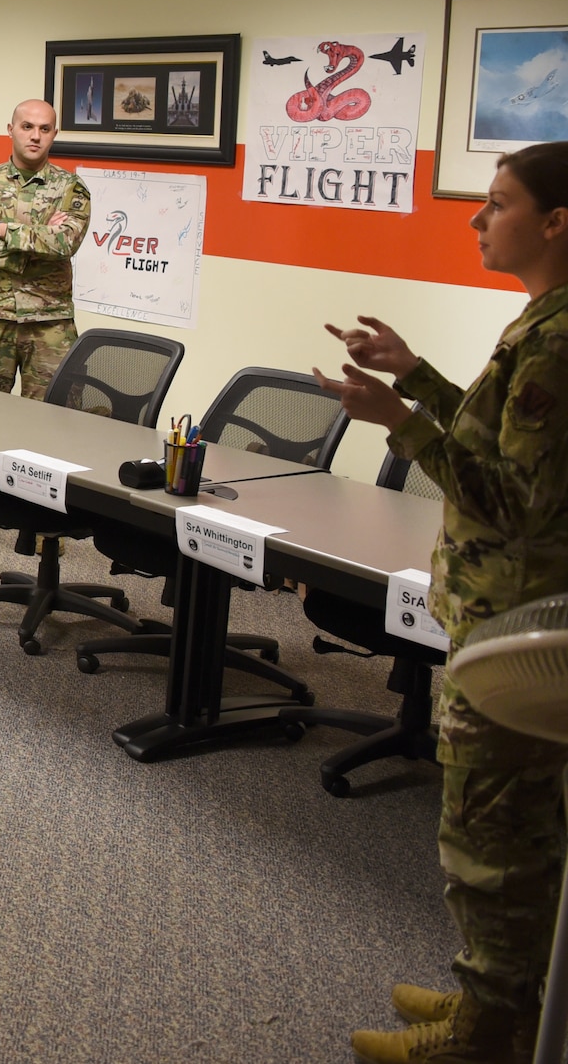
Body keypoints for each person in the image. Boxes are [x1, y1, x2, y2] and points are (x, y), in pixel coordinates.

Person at [319, 141, 568, 1064]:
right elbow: (501, 439)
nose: (476, 216)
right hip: (505, 616)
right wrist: (415, 373)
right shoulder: (544, 321)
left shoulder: (558, 336)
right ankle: (504, 998)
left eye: (497, 202)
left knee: (493, 839)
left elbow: (509, 496)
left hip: (514, 635)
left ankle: (484, 1034)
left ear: (555, 222)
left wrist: (400, 423)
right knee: (516, 829)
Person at [0, 99, 90, 547]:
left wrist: (2, 228)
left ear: (54, 134)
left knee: (50, 420)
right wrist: (35, 237)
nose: (35, 135)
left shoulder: (71, 188)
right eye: (27, 126)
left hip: (50, 321)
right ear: (10, 128)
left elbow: (66, 242)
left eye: (44, 128)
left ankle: (45, 518)